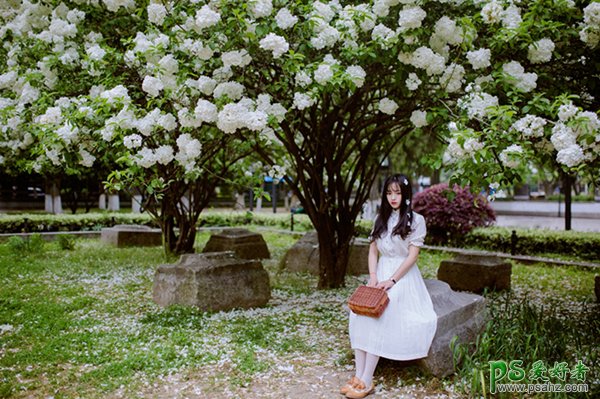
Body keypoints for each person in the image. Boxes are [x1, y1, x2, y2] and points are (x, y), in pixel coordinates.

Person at [342, 174, 437, 398]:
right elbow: (373, 250)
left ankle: (367, 379)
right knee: (359, 313)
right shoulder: (380, 218)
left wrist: (392, 281)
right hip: (381, 271)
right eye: (389, 193)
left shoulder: (416, 220)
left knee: (381, 314)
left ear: (405, 195)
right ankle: (358, 374)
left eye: (397, 193)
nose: (393, 197)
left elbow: (412, 256)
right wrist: (374, 277)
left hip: (403, 276)